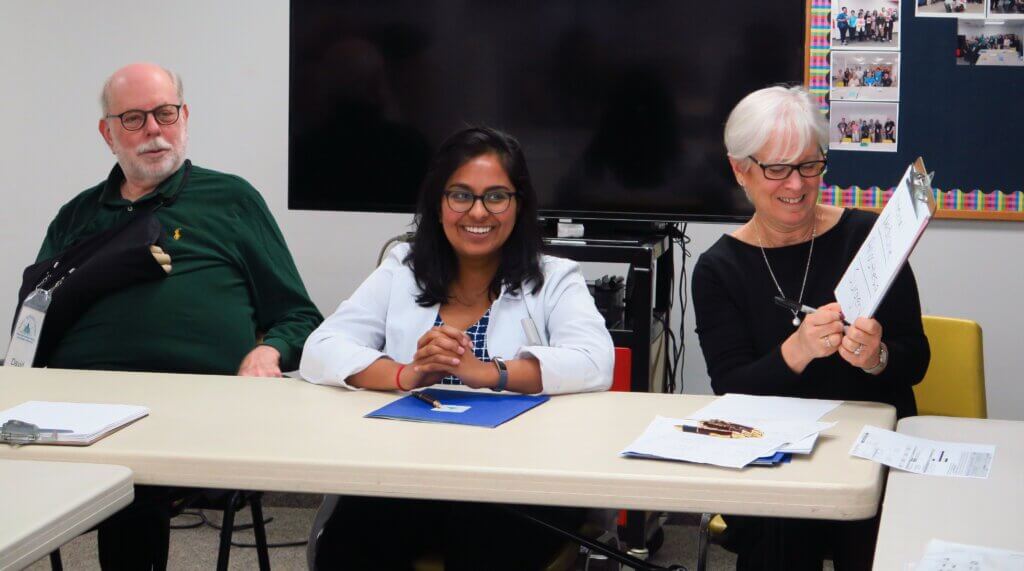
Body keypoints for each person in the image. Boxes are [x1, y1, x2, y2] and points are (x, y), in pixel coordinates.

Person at [35, 62, 323, 569]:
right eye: (133, 119)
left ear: (184, 116)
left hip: (195, 415)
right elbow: (32, 322)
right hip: (79, 411)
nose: (153, 129)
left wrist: (267, 349)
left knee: (130, 478)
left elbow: (300, 316)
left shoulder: (231, 201)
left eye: (165, 113)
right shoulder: (77, 217)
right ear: (107, 133)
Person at [300, 126, 614, 569]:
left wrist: (489, 373)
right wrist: (404, 374)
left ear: (518, 204)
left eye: (496, 196)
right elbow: (322, 346)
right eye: (461, 195)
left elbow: (595, 361)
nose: (478, 212)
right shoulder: (402, 270)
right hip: (409, 474)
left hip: (516, 480)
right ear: (439, 203)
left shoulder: (554, 277)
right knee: (347, 544)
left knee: (483, 547)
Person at [692, 85, 929, 570]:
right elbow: (731, 387)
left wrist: (878, 357)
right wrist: (795, 351)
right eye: (776, 169)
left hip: (872, 453)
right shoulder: (718, 268)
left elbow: (917, 358)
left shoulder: (869, 239)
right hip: (777, 465)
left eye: (808, 165)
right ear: (740, 169)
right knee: (778, 541)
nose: (795, 185)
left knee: (877, 544)